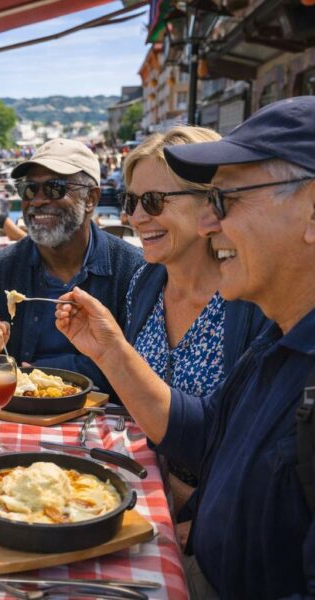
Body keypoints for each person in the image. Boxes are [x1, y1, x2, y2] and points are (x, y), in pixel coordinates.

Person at [54, 96, 315, 598]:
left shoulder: (270, 328)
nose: (212, 224)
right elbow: (204, 436)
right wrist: (109, 350)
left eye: (228, 200)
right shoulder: (279, 342)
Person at [121, 126, 269, 542]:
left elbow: (253, 447)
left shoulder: (252, 300)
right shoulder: (145, 283)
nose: (136, 217)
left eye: (153, 201)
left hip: (218, 524)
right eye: (131, 201)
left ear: (210, 201)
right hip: (145, 491)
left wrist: (187, 504)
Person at [0, 138, 143, 395]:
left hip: (109, 419)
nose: (36, 201)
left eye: (54, 188)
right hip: (19, 419)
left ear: (91, 199)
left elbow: (141, 367)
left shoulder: (134, 273)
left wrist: (37, 370)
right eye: (29, 189)